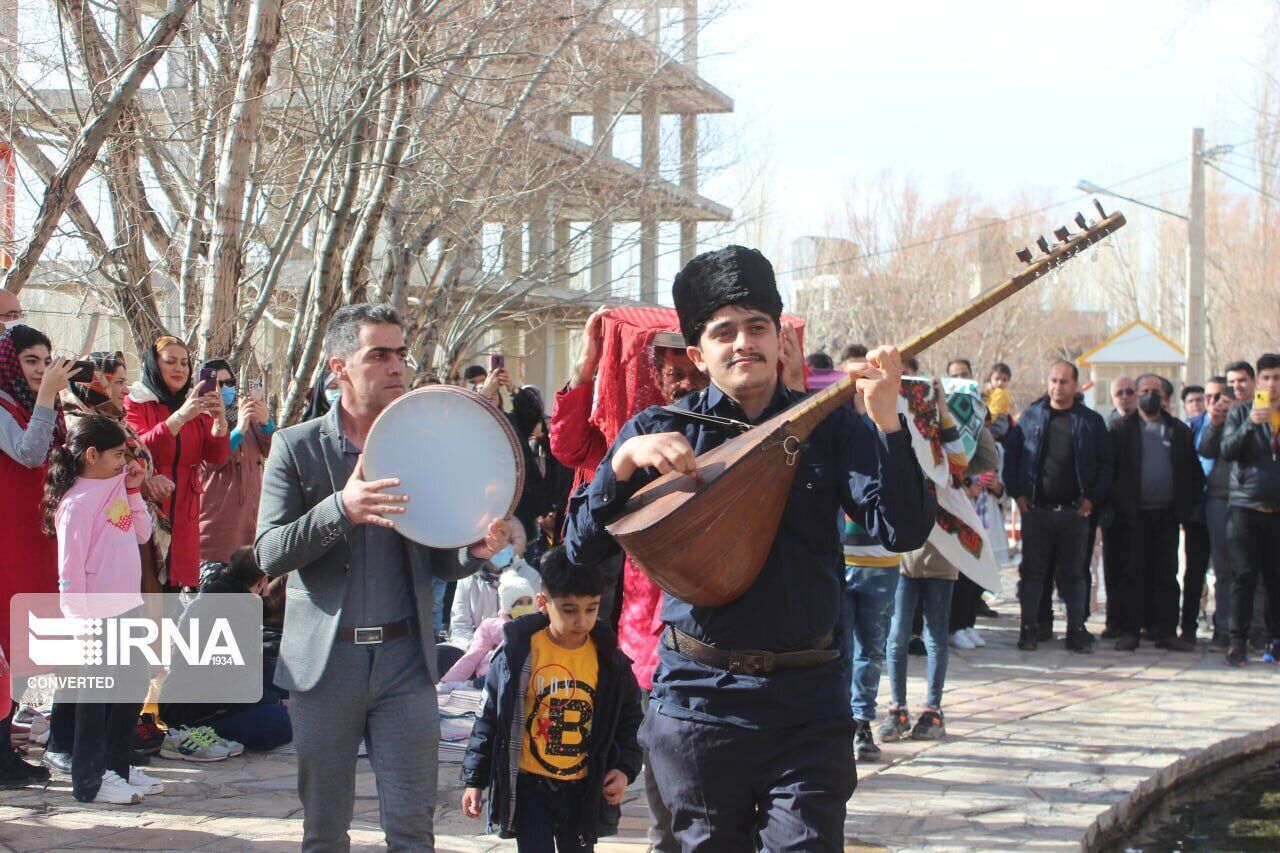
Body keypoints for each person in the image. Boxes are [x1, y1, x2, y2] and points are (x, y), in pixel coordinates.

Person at [566, 245, 936, 850]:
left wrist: (888, 421)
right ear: (698, 354)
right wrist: (624, 463)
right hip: (698, 704)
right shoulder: (659, 430)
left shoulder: (830, 425)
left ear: (780, 341)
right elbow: (578, 549)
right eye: (724, 332)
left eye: (757, 327)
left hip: (808, 702)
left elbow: (903, 531)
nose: (744, 343)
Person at [255, 303, 510, 850]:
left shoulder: (423, 445)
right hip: (325, 669)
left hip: (406, 664)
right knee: (324, 830)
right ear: (339, 366)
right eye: (379, 355)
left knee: (414, 828)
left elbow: (440, 560)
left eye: (400, 354)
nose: (396, 366)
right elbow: (269, 554)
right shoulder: (296, 447)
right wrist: (340, 508)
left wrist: (476, 549)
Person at [460, 549, 643, 850]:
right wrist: (475, 781)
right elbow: (489, 719)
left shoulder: (610, 662)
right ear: (543, 603)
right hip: (531, 789)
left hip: (584, 791)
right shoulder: (518, 655)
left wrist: (624, 768)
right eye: (569, 610)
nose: (581, 620)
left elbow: (630, 722)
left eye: (591, 608)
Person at [45, 413, 162, 804]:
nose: (123, 461)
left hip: (126, 608)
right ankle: (89, 780)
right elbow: (69, 569)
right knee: (95, 700)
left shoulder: (116, 490)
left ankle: (117, 768)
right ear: (91, 455)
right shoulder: (76, 504)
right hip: (96, 617)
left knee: (130, 687)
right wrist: (77, 621)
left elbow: (142, 533)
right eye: (117, 454)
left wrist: (133, 490)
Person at [1005, 360, 1112, 652]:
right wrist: (1018, 494)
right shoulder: (1030, 416)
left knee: (1074, 574)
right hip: (1036, 511)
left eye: (1064, 381)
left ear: (1076, 385)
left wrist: (1091, 499)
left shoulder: (1090, 421)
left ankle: (1076, 630)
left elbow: (1106, 464)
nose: (1057, 386)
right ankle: (1029, 630)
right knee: (1032, 573)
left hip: (1074, 513)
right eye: (1053, 380)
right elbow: (1012, 457)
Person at [0, 326, 65, 787]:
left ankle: (10, 749)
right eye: (30, 360)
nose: (42, 369)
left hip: (37, 533)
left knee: (24, 641)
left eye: (46, 360)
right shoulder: (3, 405)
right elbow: (29, 452)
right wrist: (46, 397)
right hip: (8, 537)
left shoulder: (37, 403)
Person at [159, 547, 292, 755]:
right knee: (278, 720)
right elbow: (233, 684)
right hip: (194, 714)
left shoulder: (213, 597)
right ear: (261, 582)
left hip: (190, 703)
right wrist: (275, 700)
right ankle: (195, 736)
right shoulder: (235, 611)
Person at [1106, 374, 1203, 651]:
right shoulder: (1120, 429)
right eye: (1145, 391)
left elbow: (1193, 473)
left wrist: (1189, 509)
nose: (1150, 396)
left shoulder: (1179, 431)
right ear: (1136, 395)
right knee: (1132, 574)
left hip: (1168, 516)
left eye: (1155, 392)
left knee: (1166, 575)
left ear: (1165, 397)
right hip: (1132, 516)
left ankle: (1166, 632)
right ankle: (1130, 632)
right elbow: (1110, 473)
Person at [125, 336, 229, 590]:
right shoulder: (136, 401)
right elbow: (139, 448)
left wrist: (219, 422)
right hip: (148, 512)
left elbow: (216, 458)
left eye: (184, 363)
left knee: (173, 596)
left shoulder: (194, 404)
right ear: (154, 364)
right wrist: (180, 417)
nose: (179, 369)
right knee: (146, 590)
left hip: (185, 514)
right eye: (170, 362)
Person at [1200, 354, 1280, 667]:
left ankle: (1274, 638)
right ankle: (1237, 641)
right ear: (1259, 381)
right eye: (1268, 378)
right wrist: (1250, 424)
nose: (1272, 384)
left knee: (1275, 580)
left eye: (1277, 377)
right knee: (1242, 577)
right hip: (1245, 508)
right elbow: (1226, 450)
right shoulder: (1243, 412)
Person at [199, 359, 275, 585]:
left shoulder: (249, 419)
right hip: (216, 534)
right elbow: (213, 460)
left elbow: (274, 450)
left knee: (247, 612)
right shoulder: (200, 419)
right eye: (217, 384)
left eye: (229, 382)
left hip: (250, 533)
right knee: (214, 611)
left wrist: (265, 422)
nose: (224, 389)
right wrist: (239, 429)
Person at [449, 521, 541, 648]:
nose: (497, 546)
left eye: (503, 540)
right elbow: (460, 626)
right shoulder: (468, 578)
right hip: (477, 653)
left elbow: (537, 622)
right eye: (491, 540)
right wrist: (475, 652)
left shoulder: (530, 576)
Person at [1195, 379, 1238, 648]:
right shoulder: (1210, 420)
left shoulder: (1259, 412)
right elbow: (1205, 449)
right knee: (1223, 571)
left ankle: (1252, 629)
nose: (1214, 402)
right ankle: (1222, 628)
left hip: (1252, 500)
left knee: (1250, 571)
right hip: (1218, 498)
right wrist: (1216, 422)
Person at [439, 572, 536, 690]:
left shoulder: (537, 625)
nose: (525, 607)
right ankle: (469, 685)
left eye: (529, 602)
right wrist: (450, 680)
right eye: (520, 603)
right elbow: (473, 655)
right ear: (508, 605)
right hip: (492, 678)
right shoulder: (492, 627)